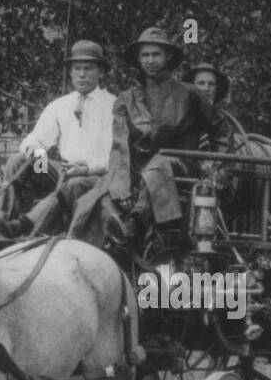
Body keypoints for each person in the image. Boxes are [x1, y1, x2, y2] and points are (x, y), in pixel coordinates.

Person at [70, 26, 213, 247]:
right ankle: (78, 244)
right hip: (140, 170)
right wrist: (121, 186)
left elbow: (219, 128)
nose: (150, 60)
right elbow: (120, 147)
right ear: (138, 59)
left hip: (181, 167)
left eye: (156, 54)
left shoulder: (189, 94)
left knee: (160, 162)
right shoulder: (127, 99)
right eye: (145, 55)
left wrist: (219, 165)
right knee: (95, 194)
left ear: (168, 57)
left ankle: (134, 223)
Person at [0, 40, 115, 238]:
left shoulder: (113, 106)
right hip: (60, 174)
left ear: (101, 72)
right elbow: (36, 139)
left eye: (88, 68)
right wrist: (35, 149)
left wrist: (85, 169)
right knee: (19, 161)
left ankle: (23, 225)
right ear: (71, 72)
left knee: (75, 183)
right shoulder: (60, 105)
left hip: (96, 178)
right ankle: (4, 219)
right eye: (77, 68)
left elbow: (114, 158)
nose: (82, 74)